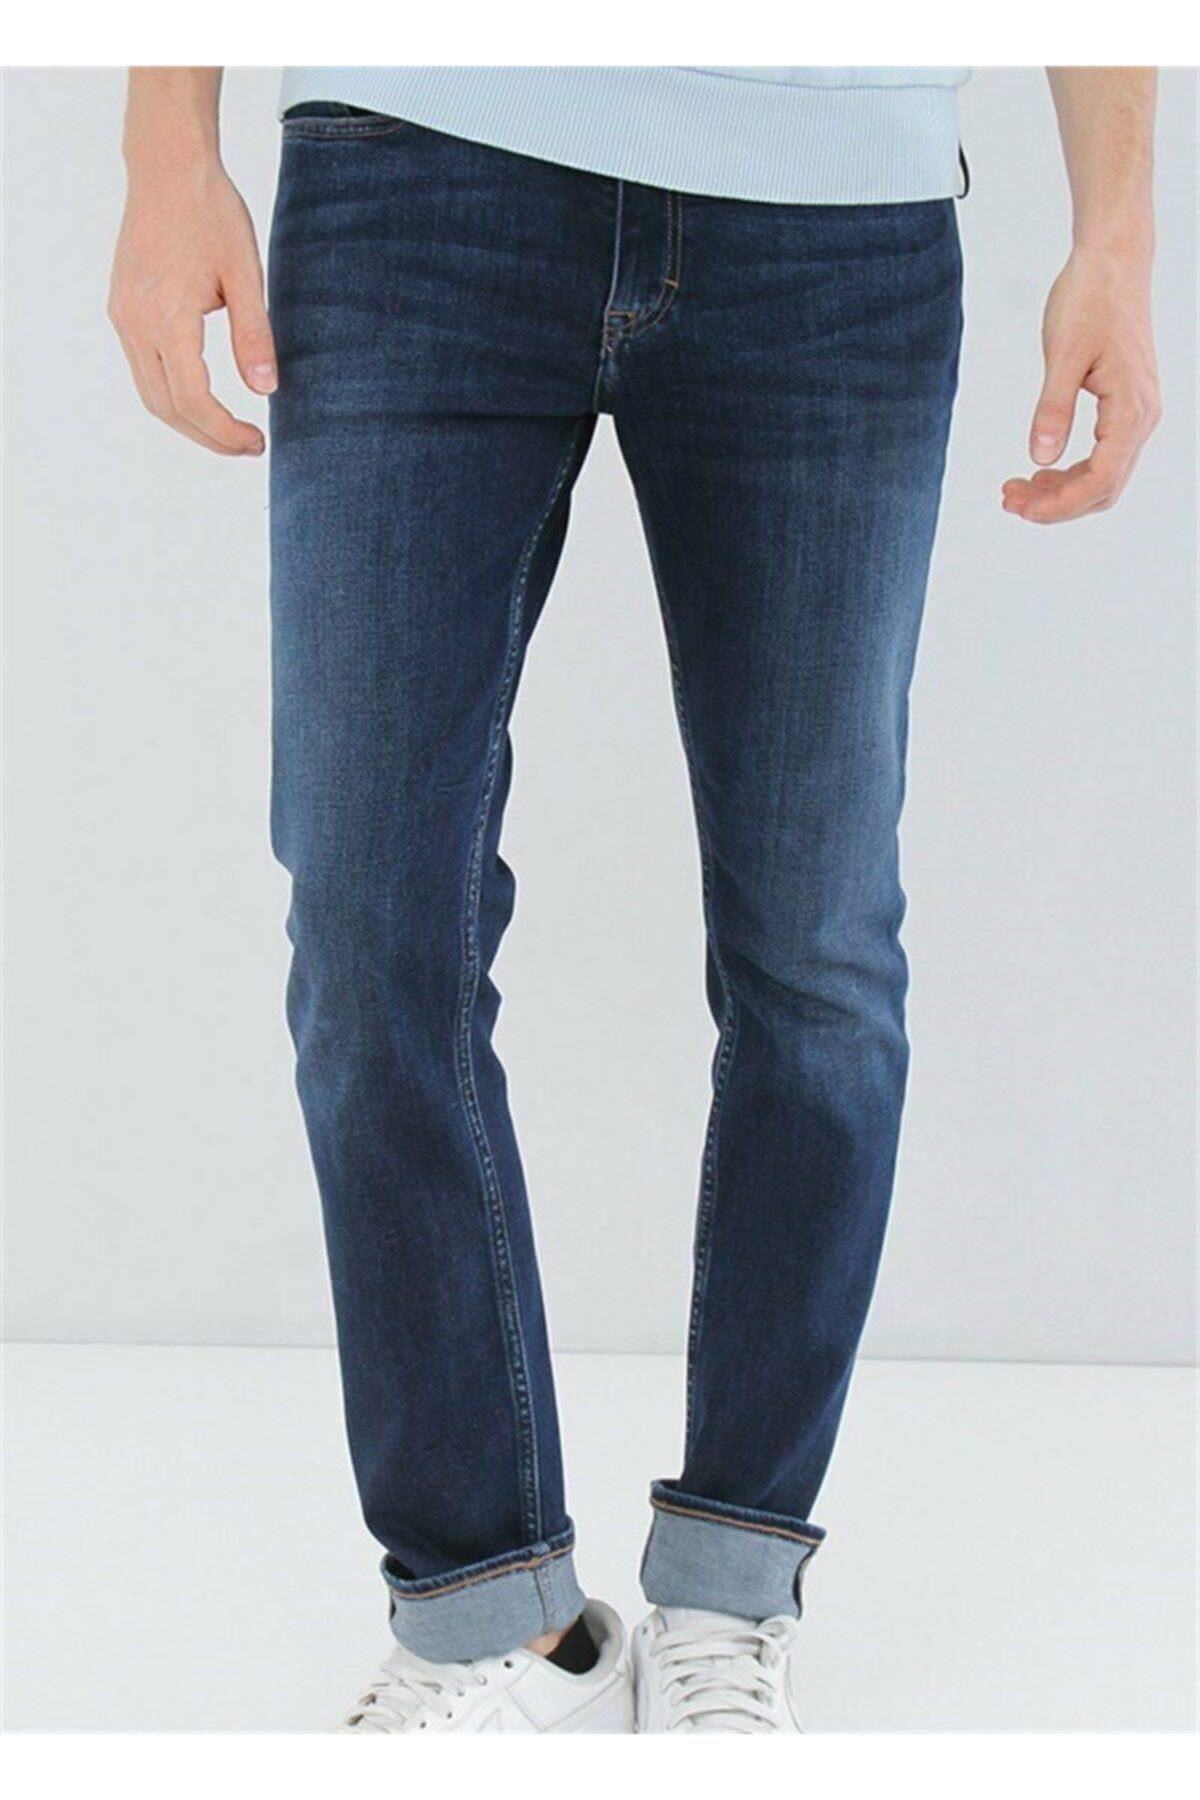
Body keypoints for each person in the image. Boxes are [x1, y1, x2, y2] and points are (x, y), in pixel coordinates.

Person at [108, 65, 1161, 1734]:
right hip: (415, 162)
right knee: (373, 930)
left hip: (835, 208)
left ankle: (734, 1582)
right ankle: (491, 1614)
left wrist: (1118, 229)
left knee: (817, 952)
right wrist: (166, 150)